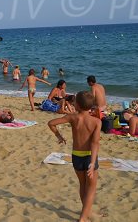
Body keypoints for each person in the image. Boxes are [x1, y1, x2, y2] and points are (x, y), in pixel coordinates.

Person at [48, 91, 101, 222]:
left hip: (76, 156)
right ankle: (83, 218)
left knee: (82, 184)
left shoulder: (72, 117)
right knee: (91, 187)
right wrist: (93, 162)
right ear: (91, 106)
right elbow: (95, 143)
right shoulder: (96, 122)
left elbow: (51, 123)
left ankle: (87, 212)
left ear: (76, 104)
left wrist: (59, 136)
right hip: (89, 156)